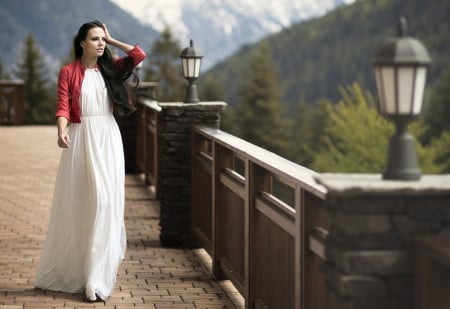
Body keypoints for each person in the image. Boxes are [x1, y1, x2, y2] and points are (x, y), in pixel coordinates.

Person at [35, 20, 146, 302]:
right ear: (81, 42)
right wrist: (61, 131)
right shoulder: (68, 72)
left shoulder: (111, 69)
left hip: (107, 139)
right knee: (85, 204)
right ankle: (84, 273)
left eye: (102, 39)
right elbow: (62, 106)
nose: (100, 43)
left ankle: (97, 278)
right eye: (94, 38)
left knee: (106, 203)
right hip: (81, 139)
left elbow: (138, 55)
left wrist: (113, 38)